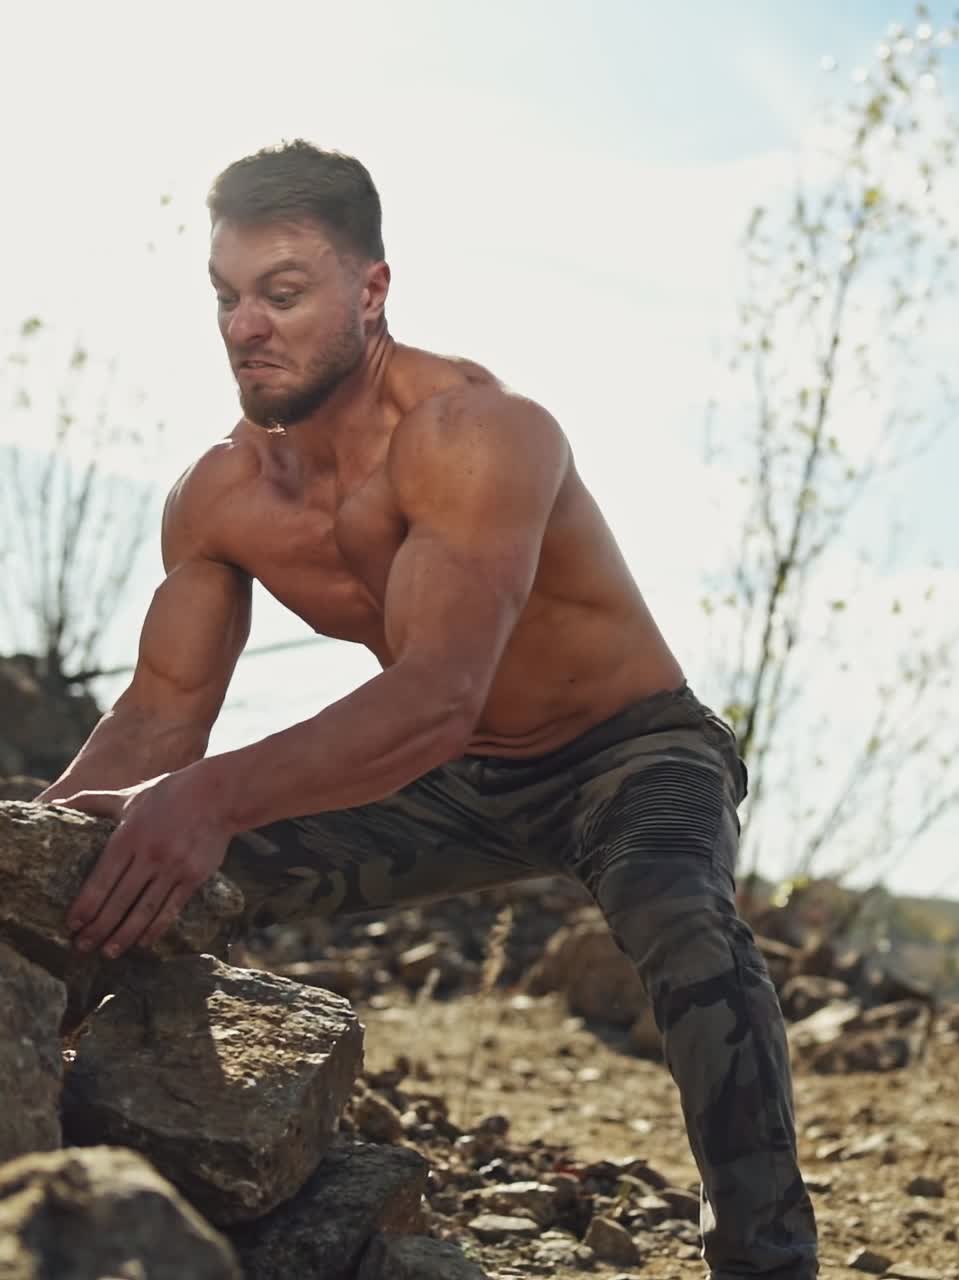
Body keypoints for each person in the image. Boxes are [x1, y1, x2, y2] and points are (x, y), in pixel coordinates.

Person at [38, 140, 819, 1279]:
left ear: (371, 290)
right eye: (227, 294)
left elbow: (436, 696)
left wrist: (202, 795)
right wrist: (45, 864)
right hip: (447, 779)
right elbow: (159, 722)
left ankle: (765, 1257)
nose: (245, 324)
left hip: (625, 747)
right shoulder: (221, 495)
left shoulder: (477, 432)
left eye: (285, 293)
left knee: (678, 914)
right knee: (131, 864)